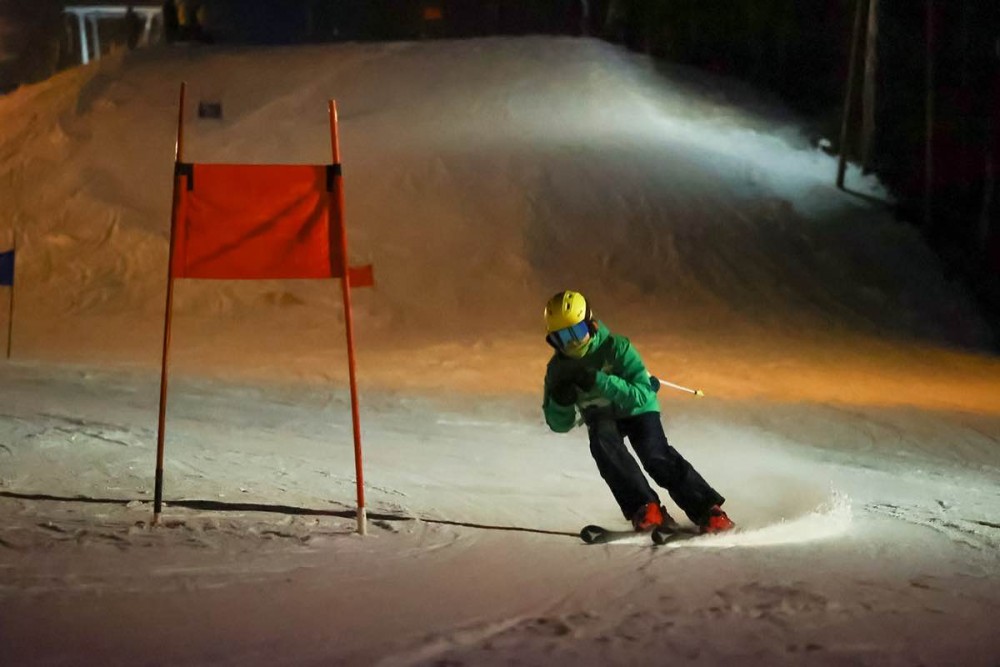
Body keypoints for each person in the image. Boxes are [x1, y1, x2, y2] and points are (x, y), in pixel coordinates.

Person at [541, 290, 735, 534]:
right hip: (601, 415)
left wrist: (600, 381)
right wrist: (560, 403)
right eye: (561, 337)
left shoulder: (617, 348)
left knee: (654, 453)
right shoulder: (557, 369)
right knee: (603, 446)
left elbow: (642, 394)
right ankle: (645, 507)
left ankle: (708, 509)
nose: (571, 343)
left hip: (637, 409)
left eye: (577, 332)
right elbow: (559, 425)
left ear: (590, 324)